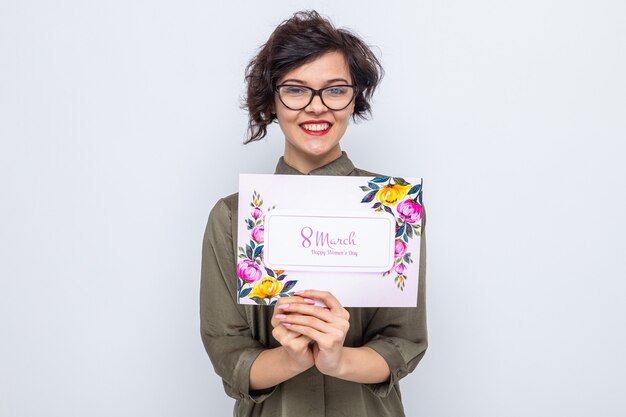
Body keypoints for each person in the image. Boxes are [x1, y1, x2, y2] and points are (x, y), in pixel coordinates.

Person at [200, 10, 427, 417]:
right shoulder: (233, 217)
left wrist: (337, 360)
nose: (316, 107)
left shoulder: (394, 208)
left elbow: (403, 341)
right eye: (296, 89)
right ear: (271, 99)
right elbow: (227, 349)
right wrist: (293, 358)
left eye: (334, 90)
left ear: (355, 96)